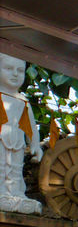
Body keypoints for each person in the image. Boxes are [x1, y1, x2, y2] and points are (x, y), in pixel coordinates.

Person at [0, 53, 43, 214]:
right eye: (9, 69)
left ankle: (16, 193)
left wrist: (35, 144)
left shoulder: (22, 100)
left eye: (20, 70)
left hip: (18, 142)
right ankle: (2, 193)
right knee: (1, 166)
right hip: (0, 140)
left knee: (16, 168)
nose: (15, 74)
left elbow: (31, 126)